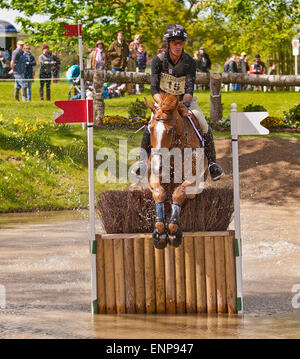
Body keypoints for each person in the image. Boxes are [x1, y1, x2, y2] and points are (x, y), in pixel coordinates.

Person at [137, 24, 224, 181]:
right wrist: (165, 105)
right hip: (162, 102)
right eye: (175, 42)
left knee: (204, 125)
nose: (178, 46)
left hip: (185, 102)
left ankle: (212, 164)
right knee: (151, 124)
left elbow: (189, 88)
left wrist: (184, 104)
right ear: (168, 43)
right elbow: (154, 89)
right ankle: (142, 162)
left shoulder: (190, 62)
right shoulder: (158, 61)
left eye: (181, 42)